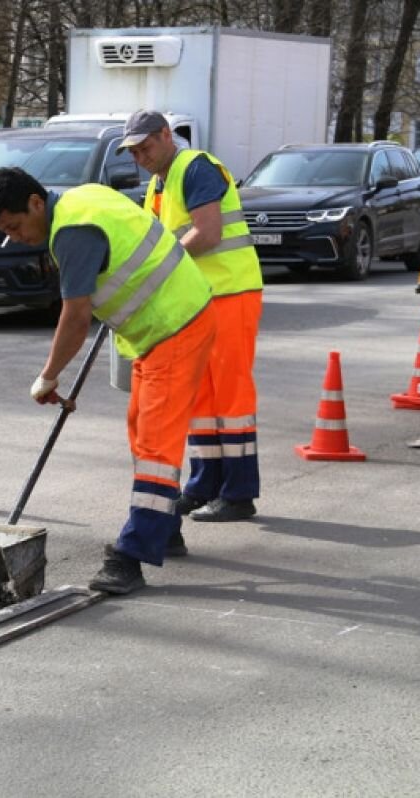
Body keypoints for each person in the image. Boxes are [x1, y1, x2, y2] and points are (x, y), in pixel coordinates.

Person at [0, 167, 216, 595]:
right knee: (143, 435)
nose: (16, 237)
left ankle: (133, 554)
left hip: (175, 325)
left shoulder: (72, 231)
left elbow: (75, 317)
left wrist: (48, 377)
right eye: (6, 233)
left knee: (156, 447)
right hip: (161, 326)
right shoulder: (82, 197)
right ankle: (163, 528)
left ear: (36, 203)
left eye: (15, 226)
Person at [119, 109, 264, 537]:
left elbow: (209, 232)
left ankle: (238, 493)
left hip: (231, 293)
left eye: (145, 147)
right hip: (200, 300)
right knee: (201, 396)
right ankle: (205, 484)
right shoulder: (159, 183)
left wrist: (160, 271)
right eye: (133, 152)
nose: (140, 157)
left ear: (167, 135)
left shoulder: (195, 166)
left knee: (230, 395)